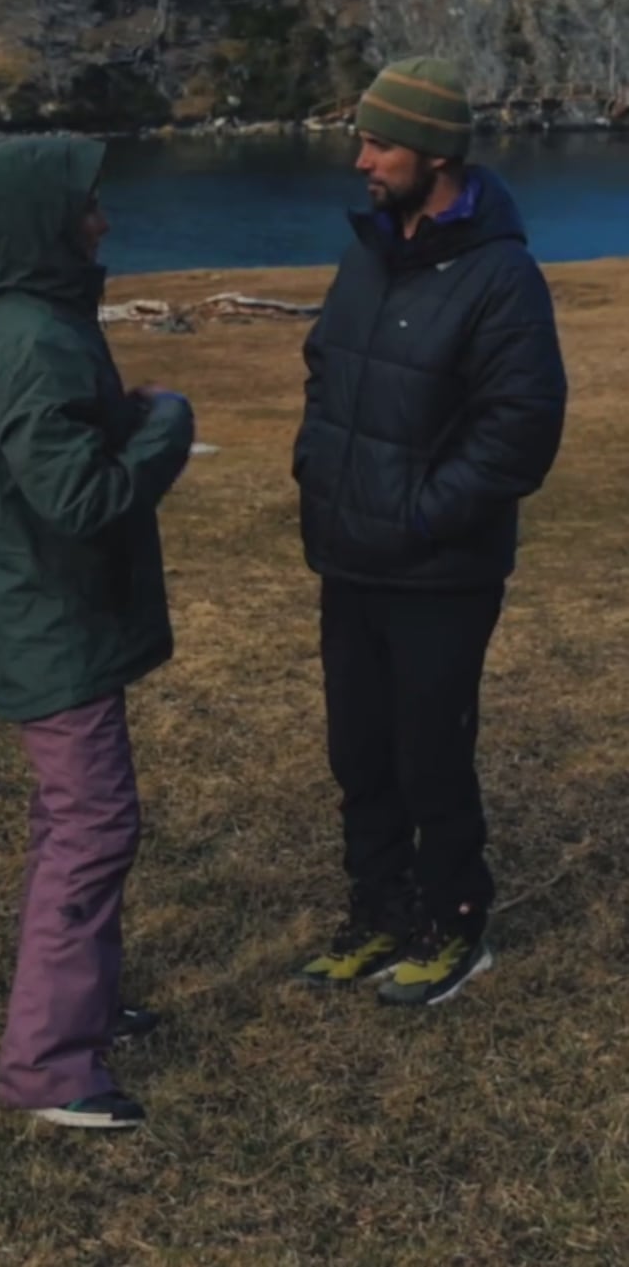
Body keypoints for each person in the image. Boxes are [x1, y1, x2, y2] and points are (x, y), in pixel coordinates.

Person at [293, 57, 567, 1006]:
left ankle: (454, 927)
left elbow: (518, 432)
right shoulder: (368, 249)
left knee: (428, 756)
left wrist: (416, 517)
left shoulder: (501, 277)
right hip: (346, 559)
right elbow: (325, 366)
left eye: (379, 142)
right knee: (358, 753)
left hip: (437, 572)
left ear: (436, 155)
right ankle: (379, 914)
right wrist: (315, 471)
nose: (361, 160)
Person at [0, 136, 194, 1127]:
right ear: (46, 222)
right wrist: (165, 425)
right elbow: (81, 496)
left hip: (58, 622)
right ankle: (49, 1064)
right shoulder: (30, 338)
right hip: (51, 630)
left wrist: (119, 410)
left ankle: (77, 1006)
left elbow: (63, 448)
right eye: (86, 205)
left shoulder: (44, 320)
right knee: (93, 827)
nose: (102, 219)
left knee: (75, 821)